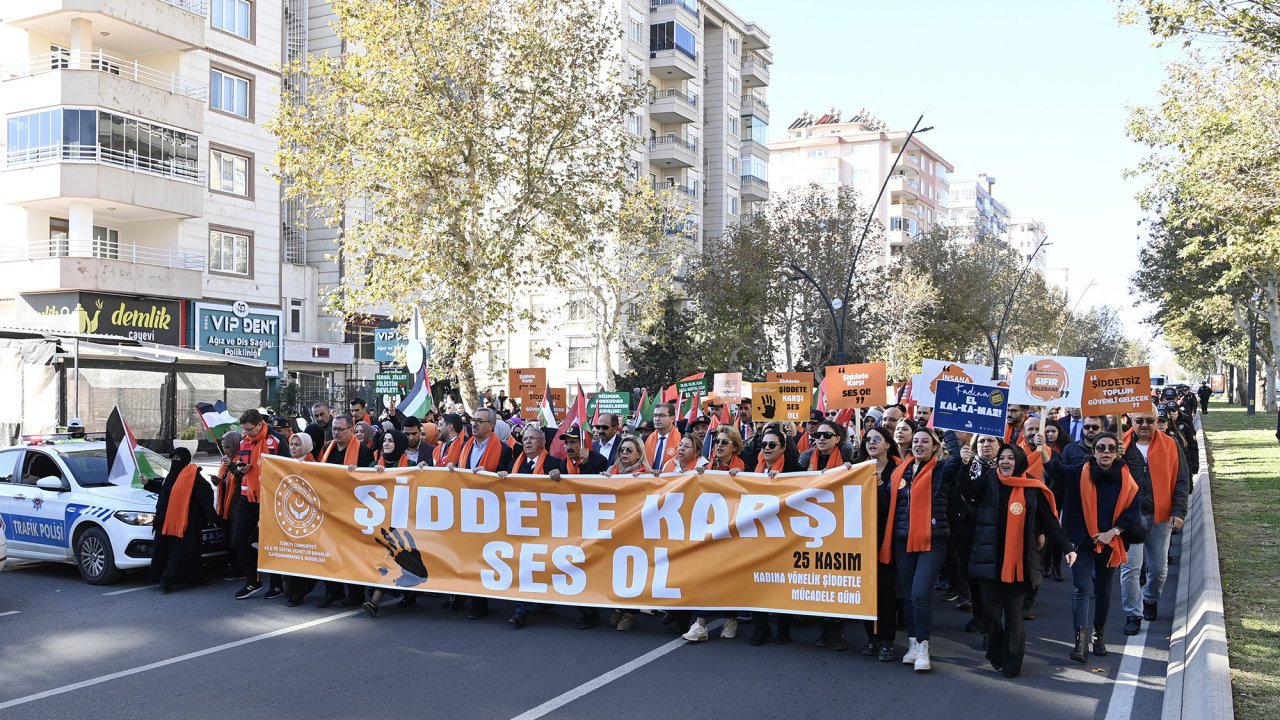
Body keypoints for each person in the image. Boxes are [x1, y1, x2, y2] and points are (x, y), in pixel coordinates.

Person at [964, 443, 1075, 678]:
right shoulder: (988, 480)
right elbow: (968, 492)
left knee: (1014, 614)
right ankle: (995, 650)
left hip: (1020, 562)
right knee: (991, 614)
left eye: (1010, 458)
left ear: (1020, 461)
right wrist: (964, 463)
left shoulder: (1032, 488)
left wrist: (1066, 547)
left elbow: (1049, 521)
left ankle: (1013, 662)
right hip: (989, 561)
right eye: (1002, 457)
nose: (1005, 462)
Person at [1050, 432, 1143, 663]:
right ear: (1094, 451)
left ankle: (1098, 634)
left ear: (1117, 452)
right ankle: (1080, 642)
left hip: (1111, 541)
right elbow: (1054, 469)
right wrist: (1044, 446)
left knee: (1103, 590)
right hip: (1081, 542)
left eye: (1111, 448)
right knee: (1081, 589)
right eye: (1101, 448)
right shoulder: (1077, 473)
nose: (1106, 453)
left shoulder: (1126, 477)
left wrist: (1112, 533)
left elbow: (1132, 512)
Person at [882, 428, 959, 672]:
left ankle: (924, 647)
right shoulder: (899, 472)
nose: (919, 445)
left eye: (925, 441)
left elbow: (956, 460)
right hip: (902, 540)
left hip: (932, 541)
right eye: (916, 441)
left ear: (934, 447)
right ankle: (913, 644)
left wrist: (949, 432)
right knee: (907, 594)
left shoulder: (941, 470)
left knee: (919, 594)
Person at [1120, 408, 1189, 635]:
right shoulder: (1120, 445)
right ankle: (1133, 613)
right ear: (1131, 420)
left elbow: (1181, 480)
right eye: (1139, 420)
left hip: (1161, 516)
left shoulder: (1170, 444)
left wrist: (1179, 511)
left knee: (1158, 569)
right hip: (1131, 518)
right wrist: (1115, 458)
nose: (1145, 425)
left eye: (1151, 420)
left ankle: (1150, 598)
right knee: (1130, 568)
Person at [445, 406, 512, 620]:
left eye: (480, 421)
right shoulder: (466, 445)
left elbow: (508, 479)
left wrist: (491, 475)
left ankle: (479, 603)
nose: (474, 423)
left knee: (482, 556)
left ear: (491, 426)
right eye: (473, 419)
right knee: (465, 553)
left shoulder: (503, 449)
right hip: (466, 507)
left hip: (489, 509)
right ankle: (462, 593)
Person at [745, 426, 805, 646]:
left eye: (772, 445)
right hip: (757, 535)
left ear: (783, 448)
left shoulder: (793, 469)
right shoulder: (754, 470)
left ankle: (783, 629)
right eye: (764, 445)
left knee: (781, 583)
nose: (767, 449)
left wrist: (782, 482)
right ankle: (761, 629)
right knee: (756, 583)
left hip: (784, 536)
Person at [855, 426, 901, 661]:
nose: (871, 442)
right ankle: (871, 639)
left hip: (888, 539)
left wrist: (881, 484)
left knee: (884, 591)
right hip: (862, 541)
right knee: (865, 590)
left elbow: (894, 506)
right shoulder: (858, 469)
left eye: (876, 439)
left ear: (887, 444)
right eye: (867, 440)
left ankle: (886, 641)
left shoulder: (899, 469)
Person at [602, 434, 653, 632]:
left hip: (636, 531)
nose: (624, 453)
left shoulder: (645, 474)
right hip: (614, 529)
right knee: (614, 568)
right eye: (622, 450)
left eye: (629, 450)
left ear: (639, 454)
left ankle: (631, 613)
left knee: (633, 571)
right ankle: (617, 605)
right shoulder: (610, 471)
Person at [150, 447, 216, 593]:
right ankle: (196, 577)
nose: (175, 461)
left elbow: (205, 496)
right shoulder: (171, 475)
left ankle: (166, 582)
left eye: (178, 459)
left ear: (185, 459)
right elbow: (165, 490)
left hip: (186, 522)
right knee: (169, 550)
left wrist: (211, 516)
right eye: (173, 458)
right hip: (166, 520)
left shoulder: (192, 477)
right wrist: (148, 483)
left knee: (180, 552)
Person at [230, 409, 281, 600]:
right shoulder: (244, 442)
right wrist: (240, 468)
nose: (246, 433)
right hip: (247, 496)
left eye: (249, 429)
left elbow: (285, 467)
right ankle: (253, 580)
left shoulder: (275, 440)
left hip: (269, 497)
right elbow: (239, 468)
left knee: (269, 543)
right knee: (238, 540)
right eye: (243, 429)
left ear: (260, 424)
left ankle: (276, 585)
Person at [645, 403, 681, 470]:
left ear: (672, 418)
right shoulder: (646, 439)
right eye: (655, 415)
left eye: (662, 415)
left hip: (672, 479)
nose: (657, 419)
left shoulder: (681, 439)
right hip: (649, 478)